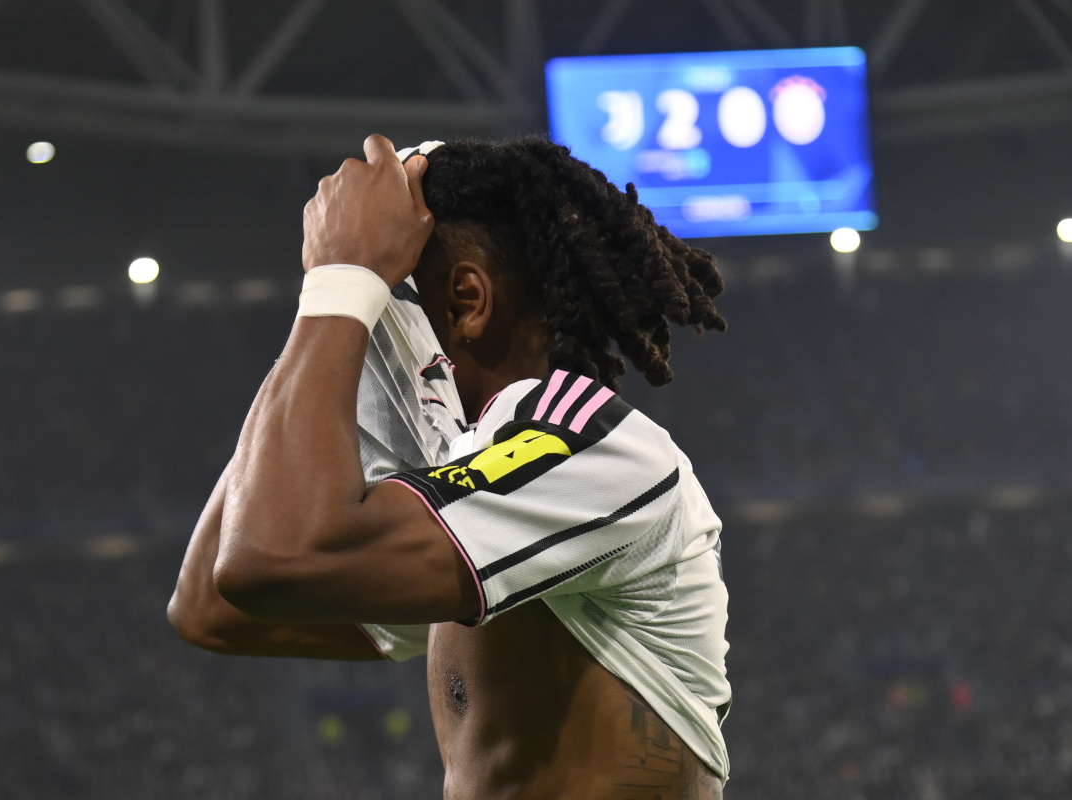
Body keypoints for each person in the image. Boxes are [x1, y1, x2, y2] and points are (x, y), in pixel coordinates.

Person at [168, 134, 730, 799]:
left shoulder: (593, 441)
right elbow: (212, 607)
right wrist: (329, 307)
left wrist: (340, 287)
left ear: (467, 302)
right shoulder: (482, 510)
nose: (366, 337)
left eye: (385, 309)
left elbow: (269, 557)